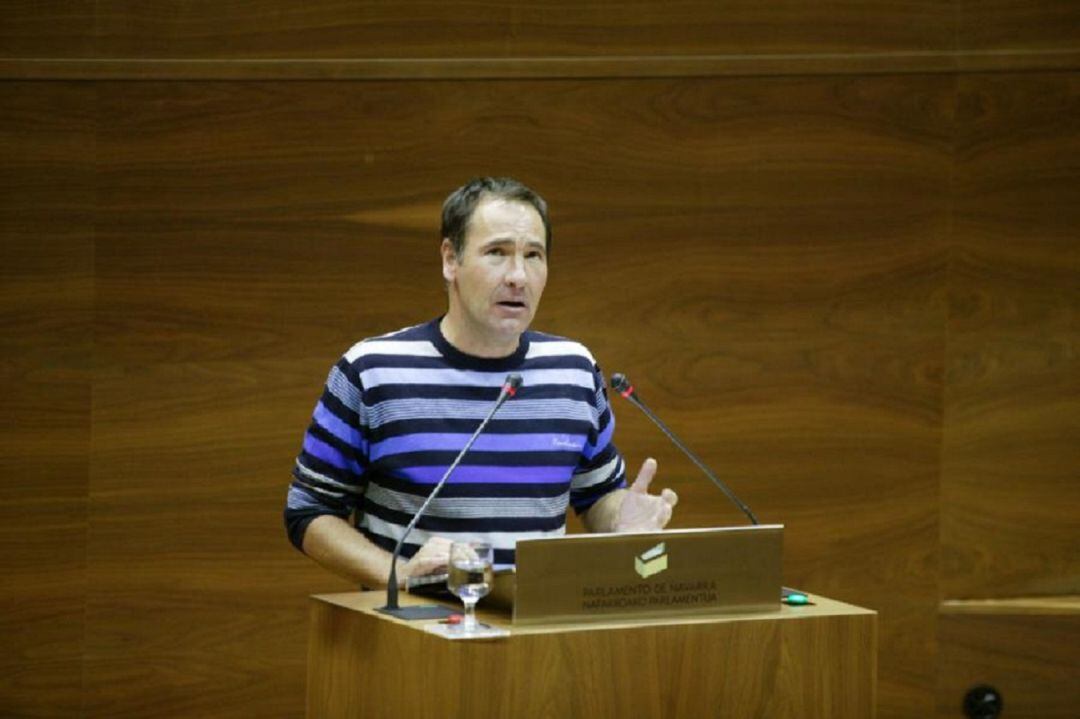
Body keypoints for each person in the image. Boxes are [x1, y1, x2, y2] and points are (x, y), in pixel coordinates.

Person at [284, 177, 678, 588]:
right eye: (497, 253)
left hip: (535, 638)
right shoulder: (373, 371)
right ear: (450, 259)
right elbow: (308, 511)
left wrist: (620, 522)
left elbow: (596, 495)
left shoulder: (573, 370)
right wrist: (397, 574)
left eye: (533, 256)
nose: (518, 276)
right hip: (416, 635)